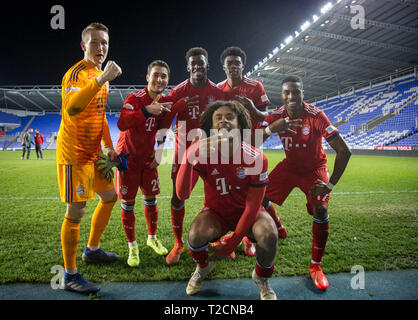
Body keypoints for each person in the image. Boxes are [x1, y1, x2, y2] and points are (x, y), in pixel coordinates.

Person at [177, 100, 278, 300]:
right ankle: (203, 268)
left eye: (230, 117)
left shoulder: (256, 157)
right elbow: (182, 195)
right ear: (211, 126)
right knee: (196, 235)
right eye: (218, 118)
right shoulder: (202, 153)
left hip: (248, 213)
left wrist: (233, 242)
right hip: (217, 214)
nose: (224, 121)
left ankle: (261, 277)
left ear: (240, 125)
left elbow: (252, 207)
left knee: (269, 234)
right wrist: (188, 156)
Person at [259, 75, 351, 290]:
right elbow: (250, 140)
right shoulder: (277, 115)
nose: (291, 96)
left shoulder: (316, 115)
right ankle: (280, 228)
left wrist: (330, 185)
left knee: (320, 210)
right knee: (259, 196)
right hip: (290, 167)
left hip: (314, 169)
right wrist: (271, 129)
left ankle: (316, 266)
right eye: (286, 92)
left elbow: (344, 150)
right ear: (281, 95)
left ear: (302, 93)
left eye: (295, 91)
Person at [56, 22, 122, 294]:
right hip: (75, 154)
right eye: (95, 42)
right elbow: (73, 108)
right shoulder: (77, 75)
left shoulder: (98, 74)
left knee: (109, 197)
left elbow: (100, 114)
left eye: (104, 42)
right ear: (84, 46)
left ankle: (92, 250)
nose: (101, 47)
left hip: (95, 153)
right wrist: (102, 79)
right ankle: (69, 275)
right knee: (76, 210)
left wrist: (109, 145)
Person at [217, 46, 287, 257]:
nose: (234, 66)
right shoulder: (219, 89)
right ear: (224, 67)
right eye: (230, 63)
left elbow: (268, 115)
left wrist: (253, 109)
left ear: (242, 65)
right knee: (230, 191)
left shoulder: (255, 86)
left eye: (237, 63)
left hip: (252, 146)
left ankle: (248, 239)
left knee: (253, 192)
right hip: (227, 148)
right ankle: (239, 233)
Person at [115, 60, 186, 267]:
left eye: (163, 76)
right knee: (128, 203)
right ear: (147, 77)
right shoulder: (135, 98)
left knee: (151, 199)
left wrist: (159, 151)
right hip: (127, 158)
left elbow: (163, 129)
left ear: (167, 80)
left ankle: (152, 238)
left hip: (148, 159)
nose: (159, 79)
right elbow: (121, 123)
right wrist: (147, 110)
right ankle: (132, 246)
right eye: (155, 75)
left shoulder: (164, 102)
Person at [163, 47, 226, 265]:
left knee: (219, 195)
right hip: (183, 153)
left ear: (208, 65)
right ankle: (178, 243)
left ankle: (218, 238)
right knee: (177, 196)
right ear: (188, 67)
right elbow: (164, 118)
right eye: (194, 64)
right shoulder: (178, 91)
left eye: (202, 63)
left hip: (211, 153)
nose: (198, 67)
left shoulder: (218, 92)